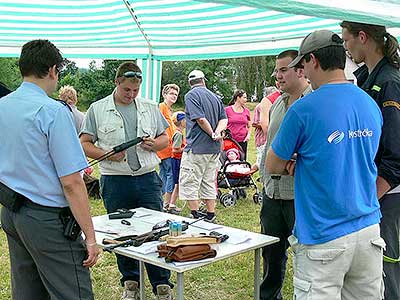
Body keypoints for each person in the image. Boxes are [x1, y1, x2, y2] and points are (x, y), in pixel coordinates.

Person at [266, 30, 385, 299]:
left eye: (303, 65)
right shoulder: (368, 103)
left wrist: (293, 163)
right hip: (368, 230)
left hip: (323, 235)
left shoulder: (304, 108)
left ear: (313, 61)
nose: (304, 73)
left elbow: (273, 164)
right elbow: (355, 155)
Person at [0, 39, 99, 300]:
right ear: (53, 70)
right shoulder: (53, 111)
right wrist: (90, 236)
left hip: (12, 210)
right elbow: (72, 182)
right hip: (46, 218)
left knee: (28, 292)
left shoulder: (3, 105)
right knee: (74, 294)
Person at [80, 62, 173, 300]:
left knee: (156, 231)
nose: (131, 95)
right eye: (126, 90)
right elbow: (84, 143)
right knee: (121, 233)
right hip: (115, 181)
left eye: (135, 90)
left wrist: (157, 144)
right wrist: (107, 153)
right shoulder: (97, 109)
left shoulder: (150, 107)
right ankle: (131, 282)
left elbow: (166, 137)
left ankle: (161, 283)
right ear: (117, 82)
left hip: (148, 179)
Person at [341, 21, 400, 300]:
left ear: (362, 37)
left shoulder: (389, 81)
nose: (346, 47)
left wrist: (371, 196)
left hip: (387, 193)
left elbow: (396, 153)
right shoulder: (367, 76)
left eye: (346, 40)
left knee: (388, 269)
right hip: (374, 189)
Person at [259, 49, 311, 300]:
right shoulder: (278, 102)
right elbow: (268, 147)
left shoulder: (313, 102)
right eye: (276, 70)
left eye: (283, 69)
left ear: (300, 69)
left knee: (306, 255)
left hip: (299, 195)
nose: (277, 75)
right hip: (272, 192)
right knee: (271, 252)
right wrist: (264, 181)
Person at [179, 69, 227, 222]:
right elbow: (224, 119)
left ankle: (194, 214)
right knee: (208, 180)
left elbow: (199, 119)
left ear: (190, 83)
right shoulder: (215, 97)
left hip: (197, 147)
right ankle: (210, 214)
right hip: (214, 149)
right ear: (203, 81)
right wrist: (217, 133)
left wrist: (211, 132)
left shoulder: (191, 95)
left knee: (190, 180)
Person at [157, 84, 179, 212]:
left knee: (165, 174)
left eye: (175, 95)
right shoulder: (162, 107)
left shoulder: (170, 111)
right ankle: (167, 203)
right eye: (171, 94)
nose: (174, 96)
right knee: (170, 174)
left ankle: (160, 199)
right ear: (164, 94)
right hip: (165, 148)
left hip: (170, 147)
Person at [225, 89, 251, 159]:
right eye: (244, 97)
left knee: (242, 159)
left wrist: (248, 135)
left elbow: (249, 125)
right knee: (231, 159)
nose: (246, 99)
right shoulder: (227, 110)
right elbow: (223, 123)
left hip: (243, 140)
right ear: (238, 98)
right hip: (230, 140)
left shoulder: (246, 111)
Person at [170, 111, 186, 213]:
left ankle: (172, 204)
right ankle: (172, 205)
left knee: (178, 184)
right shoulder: (178, 134)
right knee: (178, 183)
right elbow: (175, 149)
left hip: (177, 160)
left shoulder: (178, 132)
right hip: (177, 160)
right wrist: (187, 148)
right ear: (182, 121)